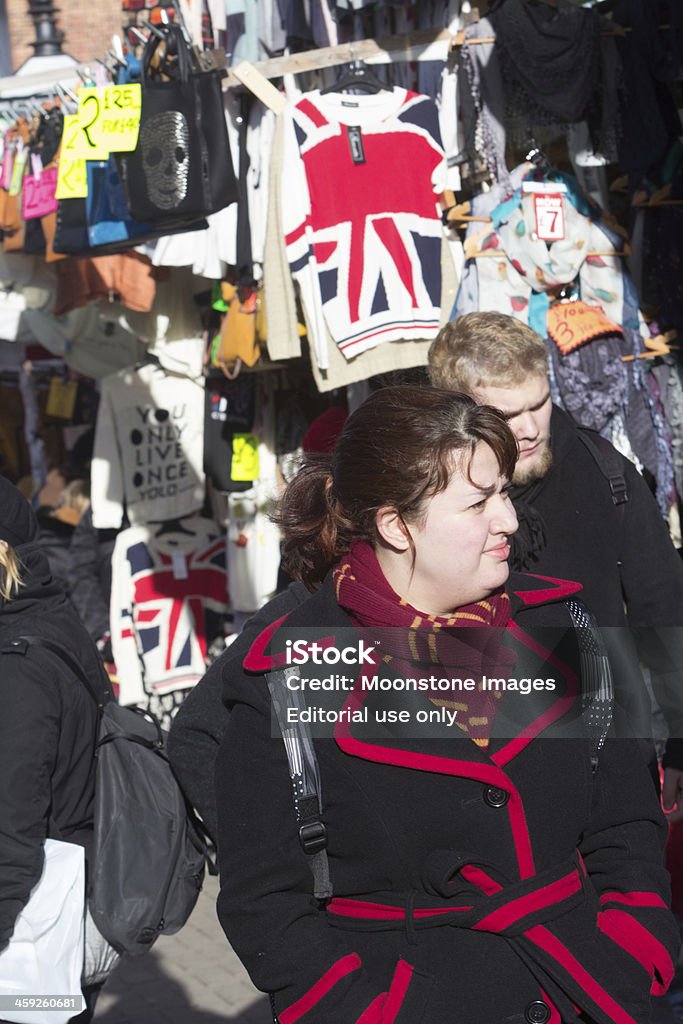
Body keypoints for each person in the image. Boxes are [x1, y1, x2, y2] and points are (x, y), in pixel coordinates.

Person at [216, 386, 678, 1024]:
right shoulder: (295, 671)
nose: (509, 521)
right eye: (478, 502)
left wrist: (637, 948)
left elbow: (626, 823)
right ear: (395, 525)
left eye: (506, 493)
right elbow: (264, 901)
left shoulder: (565, 623)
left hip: (591, 992)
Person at [428, 311, 683, 813]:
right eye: (504, 415)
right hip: (476, 777)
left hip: (609, 770)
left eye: (539, 403)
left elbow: (667, 614)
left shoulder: (605, 472)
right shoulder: (424, 495)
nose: (527, 429)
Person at [0, 477, 114, 1022]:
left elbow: (9, 834)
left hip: (31, 932)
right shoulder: (55, 618)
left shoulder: (18, 665)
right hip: (71, 912)